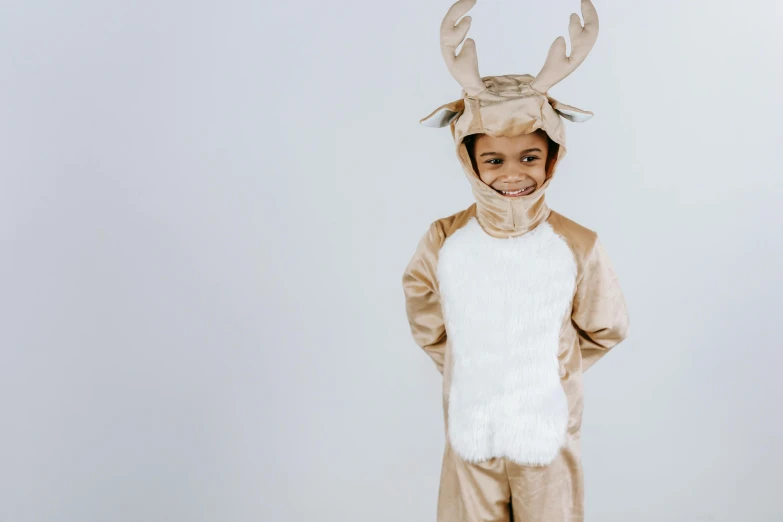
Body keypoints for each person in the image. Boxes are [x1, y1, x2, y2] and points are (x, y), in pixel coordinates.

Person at [401, 1, 630, 521]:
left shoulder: (578, 243)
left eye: (529, 156)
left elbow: (606, 328)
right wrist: (466, 364)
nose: (512, 173)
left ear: (552, 156)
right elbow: (423, 308)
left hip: (546, 438)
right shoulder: (445, 238)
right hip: (470, 434)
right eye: (494, 159)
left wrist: (550, 374)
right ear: (470, 159)